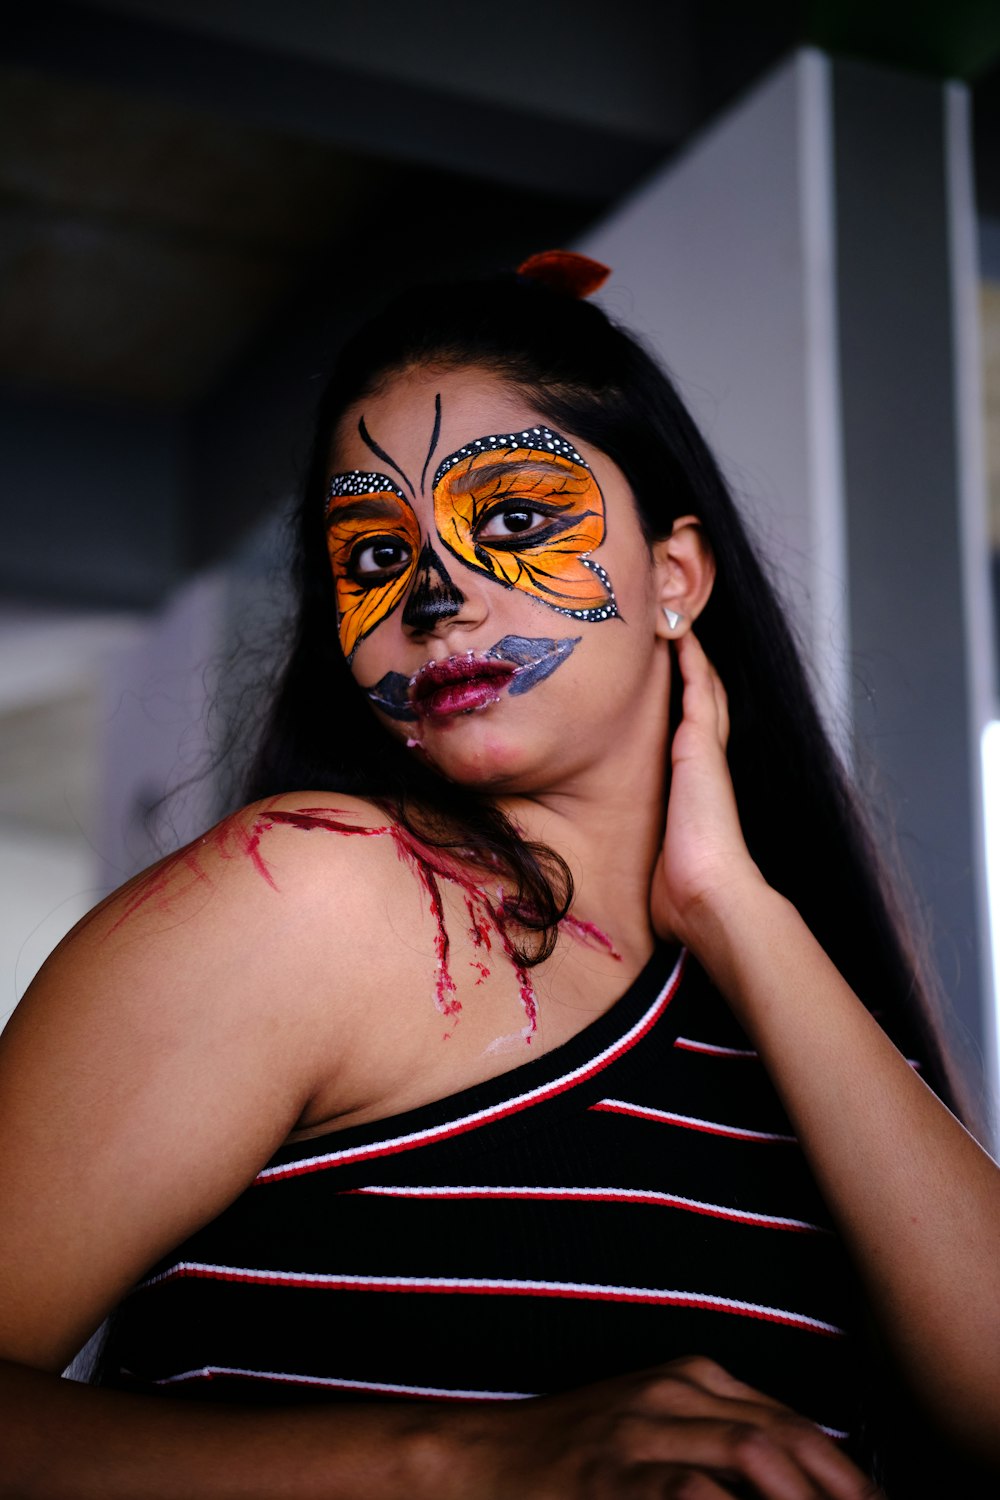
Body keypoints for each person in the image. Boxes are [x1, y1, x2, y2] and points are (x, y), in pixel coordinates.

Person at [1, 250, 998, 1499]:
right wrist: (462, 1463)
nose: (434, 598)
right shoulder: (312, 893)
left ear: (672, 577)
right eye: (370, 557)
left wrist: (735, 907)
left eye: (515, 521)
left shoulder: (797, 1008)